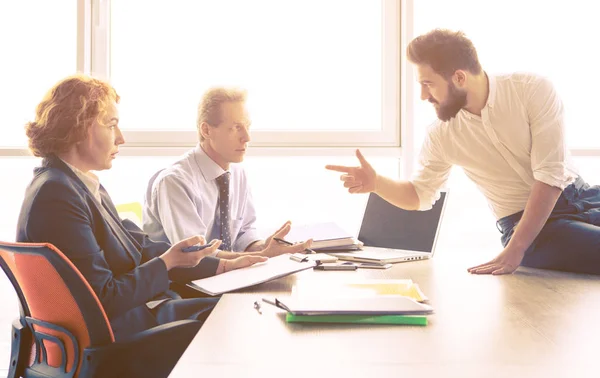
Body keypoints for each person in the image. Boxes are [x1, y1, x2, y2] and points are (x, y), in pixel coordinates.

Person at [326, 29, 600, 276]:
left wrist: (516, 249)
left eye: (428, 84)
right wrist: (376, 183)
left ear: (459, 77)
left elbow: (551, 174)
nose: (423, 95)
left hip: (582, 196)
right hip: (531, 230)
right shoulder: (442, 135)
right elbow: (420, 195)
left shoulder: (532, 90)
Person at [16, 75, 267, 342]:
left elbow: (140, 247)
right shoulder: (57, 195)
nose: (121, 138)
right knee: (237, 318)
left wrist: (224, 266)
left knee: (237, 310)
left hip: (131, 319)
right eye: (112, 125)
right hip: (115, 338)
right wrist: (167, 263)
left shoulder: (78, 184)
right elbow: (104, 298)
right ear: (79, 128)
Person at [143, 87, 311, 259]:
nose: (247, 137)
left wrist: (264, 247)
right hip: (180, 282)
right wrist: (260, 256)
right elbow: (195, 255)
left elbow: (242, 235)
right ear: (206, 131)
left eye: (247, 126)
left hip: (225, 278)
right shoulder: (175, 182)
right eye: (236, 127)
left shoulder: (237, 173)